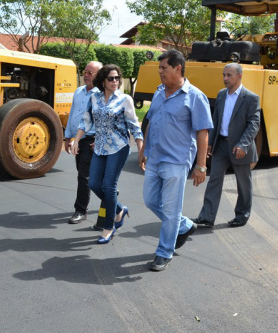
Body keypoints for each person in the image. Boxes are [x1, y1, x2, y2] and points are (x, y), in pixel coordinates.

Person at [138, 50, 213, 271]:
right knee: (151, 200)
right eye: (159, 68)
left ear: (178, 68)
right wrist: (144, 150)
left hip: (176, 161)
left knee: (170, 209)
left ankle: (164, 252)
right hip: (155, 157)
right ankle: (185, 224)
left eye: (164, 68)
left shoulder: (195, 96)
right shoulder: (159, 92)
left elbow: (202, 133)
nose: (160, 72)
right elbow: (151, 121)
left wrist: (201, 166)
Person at [71, 64, 143, 244]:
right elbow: (86, 121)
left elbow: (134, 125)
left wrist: (141, 150)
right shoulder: (94, 98)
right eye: (111, 78)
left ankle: (108, 227)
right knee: (94, 183)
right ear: (103, 81)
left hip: (119, 147)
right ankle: (119, 209)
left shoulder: (125, 99)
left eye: (117, 78)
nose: (115, 81)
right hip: (100, 146)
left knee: (109, 186)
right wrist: (76, 140)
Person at [192, 63, 260, 228]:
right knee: (214, 179)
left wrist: (243, 144)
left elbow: (254, 124)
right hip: (221, 145)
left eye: (229, 75)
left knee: (243, 183)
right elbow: (215, 120)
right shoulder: (221, 95)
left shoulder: (251, 98)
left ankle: (241, 215)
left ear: (239, 76)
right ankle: (207, 216)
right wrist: (210, 142)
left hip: (240, 148)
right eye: (224, 75)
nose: (225, 78)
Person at [64, 61, 103, 224]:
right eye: (85, 72)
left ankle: (80, 210)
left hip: (92, 140)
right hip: (78, 140)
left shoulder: (101, 94)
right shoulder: (79, 91)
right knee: (88, 175)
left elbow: (104, 119)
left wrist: (100, 139)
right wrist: (68, 137)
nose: (85, 75)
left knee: (83, 175)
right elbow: (73, 113)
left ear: (99, 76)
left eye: (90, 73)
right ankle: (111, 193)